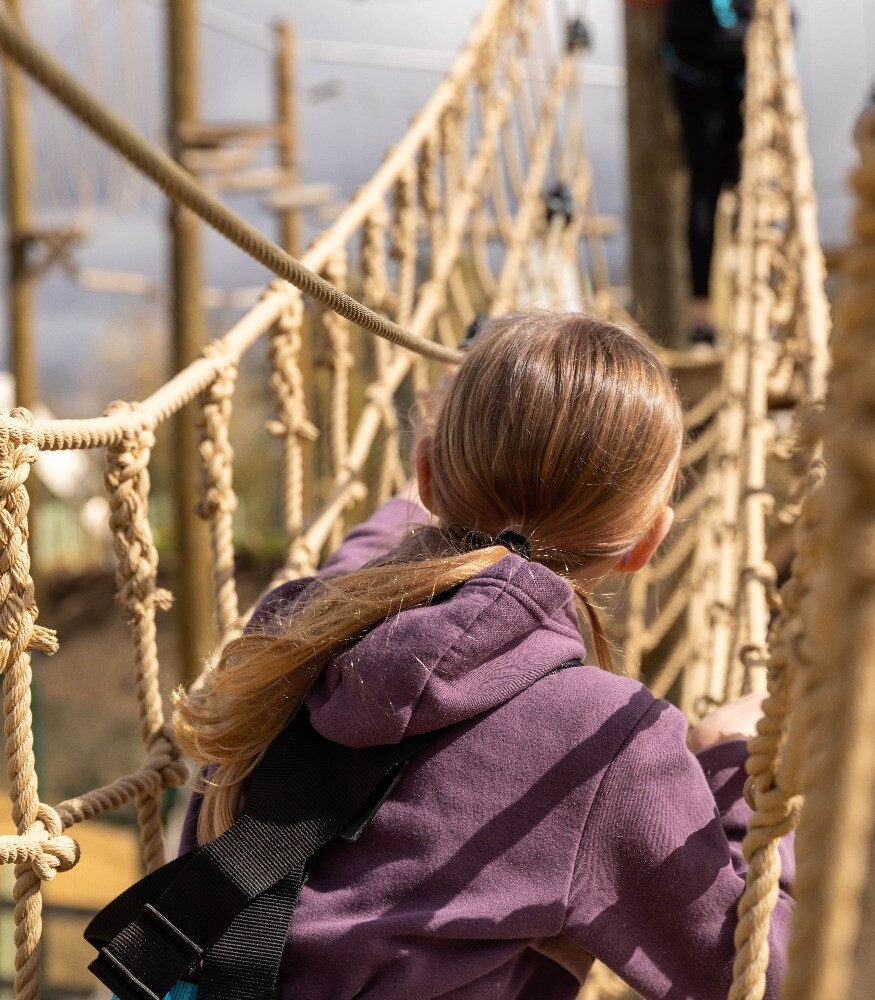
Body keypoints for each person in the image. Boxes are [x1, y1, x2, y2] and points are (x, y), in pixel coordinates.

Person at [172, 312, 794, 999]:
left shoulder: (290, 627)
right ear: (647, 541)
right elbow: (763, 978)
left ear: (426, 476)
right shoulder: (607, 742)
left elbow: (359, 569)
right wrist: (734, 768)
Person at [662, 0, 753, 346]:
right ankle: (717, 310)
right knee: (726, 188)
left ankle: (705, 314)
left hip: (707, 67)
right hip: (714, 66)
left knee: (710, 188)